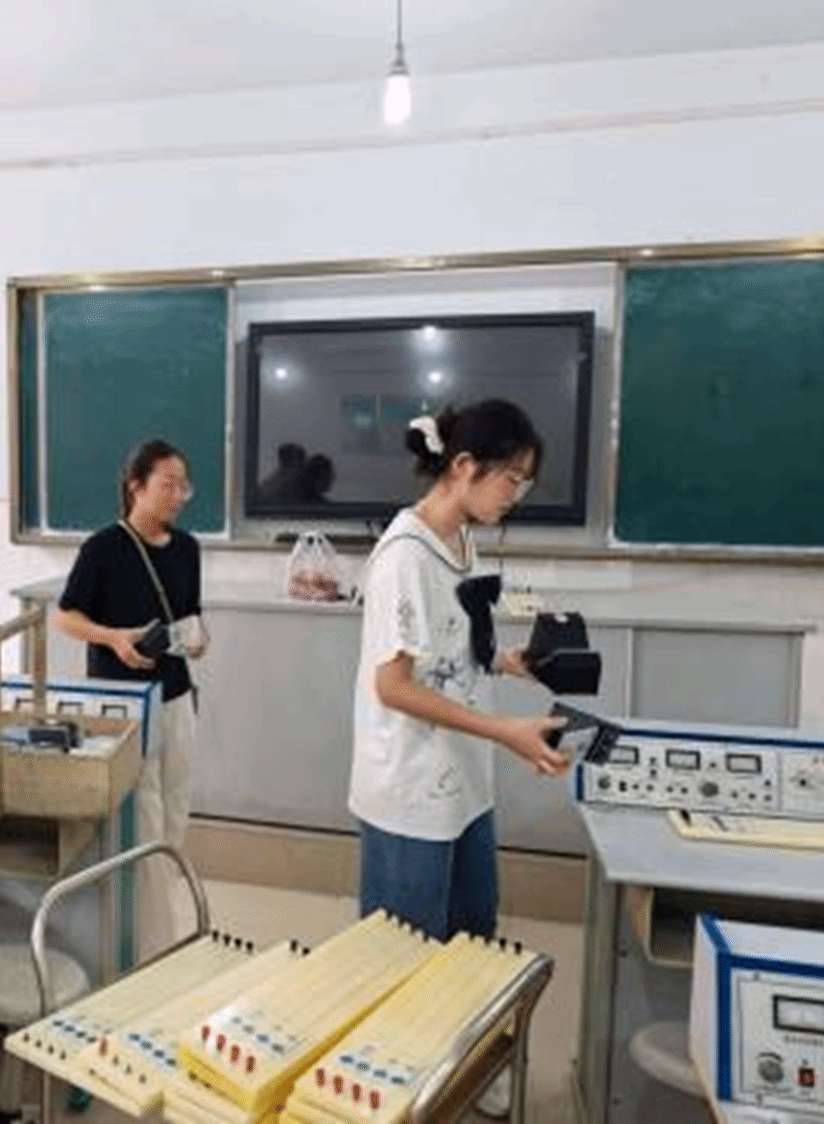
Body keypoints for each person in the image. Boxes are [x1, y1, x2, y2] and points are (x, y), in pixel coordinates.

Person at [348, 400, 567, 1115]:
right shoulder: (403, 558)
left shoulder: (462, 542)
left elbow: (452, 647)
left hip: (464, 785)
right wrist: (504, 731)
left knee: (473, 933)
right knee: (405, 953)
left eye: (524, 482)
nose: (517, 496)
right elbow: (393, 685)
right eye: (512, 479)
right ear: (465, 466)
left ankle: (462, 1060)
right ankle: (399, 1084)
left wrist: (509, 661)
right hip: (410, 789)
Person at [53, 439, 205, 952]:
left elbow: (190, 614)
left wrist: (197, 637)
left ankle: (155, 921)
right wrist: (113, 638)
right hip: (122, 705)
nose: (179, 495)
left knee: (175, 808)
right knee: (143, 819)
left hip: (176, 697)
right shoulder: (103, 548)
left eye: (184, 486)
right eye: (168, 485)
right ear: (135, 486)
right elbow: (66, 617)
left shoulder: (187, 548)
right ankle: (150, 944)